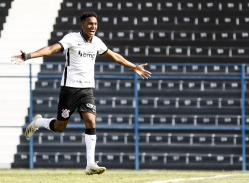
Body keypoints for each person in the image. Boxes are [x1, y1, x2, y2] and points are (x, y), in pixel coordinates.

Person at [11, 11, 151, 175]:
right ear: (82, 24)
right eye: (90, 23)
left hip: (87, 90)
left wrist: (133, 66)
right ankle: (38, 123)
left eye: (96, 24)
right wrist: (27, 56)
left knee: (91, 121)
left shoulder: (97, 42)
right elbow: (50, 49)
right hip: (69, 89)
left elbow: (114, 56)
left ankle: (90, 164)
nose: (93, 27)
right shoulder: (71, 38)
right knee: (60, 126)